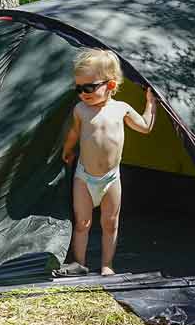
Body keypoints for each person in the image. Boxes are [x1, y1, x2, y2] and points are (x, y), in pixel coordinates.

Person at [61, 48, 156, 275]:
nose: (83, 93)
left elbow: (145, 127)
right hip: (84, 177)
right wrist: (67, 150)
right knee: (82, 223)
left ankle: (107, 265)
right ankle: (79, 263)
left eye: (89, 87)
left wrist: (151, 104)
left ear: (111, 85)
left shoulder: (120, 109)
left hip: (112, 178)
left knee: (110, 223)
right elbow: (74, 133)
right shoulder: (81, 109)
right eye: (78, 88)